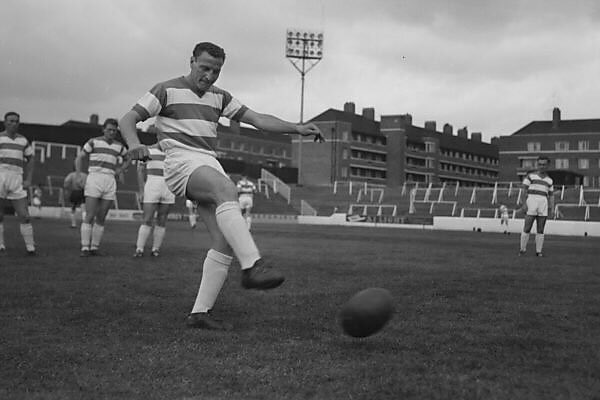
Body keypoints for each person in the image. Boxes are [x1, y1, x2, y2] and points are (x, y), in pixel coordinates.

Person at [119, 41, 324, 330]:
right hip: (180, 161)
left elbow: (258, 119)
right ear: (191, 61)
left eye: (216, 71)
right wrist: (134, 144)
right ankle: (253, 266)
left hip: (207, 162)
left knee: (224, 241)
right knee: (227, 190)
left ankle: (199, 314)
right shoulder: (166, 89)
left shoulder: (220, 97)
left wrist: (298, 127)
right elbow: (128, 118)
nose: (209, 76)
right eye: (204, 68)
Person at [75, 118, 128, 257]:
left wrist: (120, 170)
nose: (111, 132)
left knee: (102, 217)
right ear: (103, 129)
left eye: (114, 130)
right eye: (109, 129)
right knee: (90, 215)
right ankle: (85, 247)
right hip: (95, 178)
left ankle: (94, 247)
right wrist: (78, 175)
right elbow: (79, 158)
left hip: (110, 180)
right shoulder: (93, 141)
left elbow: (128, 158)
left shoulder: (119, 146)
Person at [0, 111, 36, 255]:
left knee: (24, 215)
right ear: (5, 122)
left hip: (17, 178)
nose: (14, 124)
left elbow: (31, 159)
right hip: (1, 176)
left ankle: (30, 247)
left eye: (16, 121)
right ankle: (1, 244)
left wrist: (28, 179)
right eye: (11, 121)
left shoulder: (23, 140)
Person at [133, 143, 175, 257]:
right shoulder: (147, 150)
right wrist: (141, 190)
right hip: (152, 186)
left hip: (168, 188)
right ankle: (139, 249)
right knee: (147, 219)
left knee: (162, 220)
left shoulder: (173, 152)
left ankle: (155, 249)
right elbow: (140, 170)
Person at [519, 156, 554, 257]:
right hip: (531, 202)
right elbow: (524, 191)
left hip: (543, 203)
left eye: (544, 164)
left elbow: (551, 195)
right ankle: (522, 249)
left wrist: (551, 208)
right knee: (527, 227)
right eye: (540, 164)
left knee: (541, 229)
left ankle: (538, 252)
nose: (542, 166)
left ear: (547, 165)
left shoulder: (549, 180)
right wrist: (524, 204)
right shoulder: (530, 176)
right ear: (537, 165)